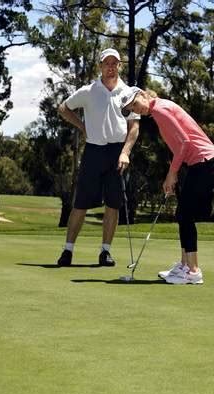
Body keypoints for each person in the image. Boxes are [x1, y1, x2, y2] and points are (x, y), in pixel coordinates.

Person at [120, 87, 214, 285]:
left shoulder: (160, 110)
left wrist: (172, 173)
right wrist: (173, 173)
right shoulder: (159, 109)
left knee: (185, 215)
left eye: (135, 103)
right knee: (183, 214)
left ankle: (193, 271)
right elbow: (179, 145)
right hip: (199, 163)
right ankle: (185, 266)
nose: (136, 109)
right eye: (131, 108)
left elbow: (184, 142)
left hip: (205, 162)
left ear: (142, 94)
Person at [57, 48, 140, 267]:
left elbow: (134, 128)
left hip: (117, 154)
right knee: (81, 203)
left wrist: (125, 152)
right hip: (93, 151)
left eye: (114, 63)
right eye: (106, 63)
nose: (110, 67)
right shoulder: (89, 91)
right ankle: (68, 251)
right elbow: (63, 108)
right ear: (100, 66)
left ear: (119, 65)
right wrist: (83, 127)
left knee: (113, 204)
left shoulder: (129, 92)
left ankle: (105, 252)